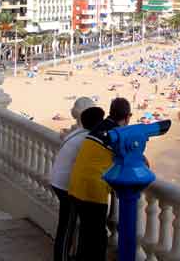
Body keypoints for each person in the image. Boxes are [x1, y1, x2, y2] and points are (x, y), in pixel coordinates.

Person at [69, 98, 145, 261]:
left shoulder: (98, 127)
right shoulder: (119, 134)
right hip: (93, 190)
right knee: (97, 239)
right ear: (128, 116)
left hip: (75, 185)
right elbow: (141, 162)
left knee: (86, 235)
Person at [51, 106, 105, 261]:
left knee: (70, 224)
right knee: (67, 227)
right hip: (66, 186)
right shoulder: (89, 139)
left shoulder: (78, 132)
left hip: (58, 180)